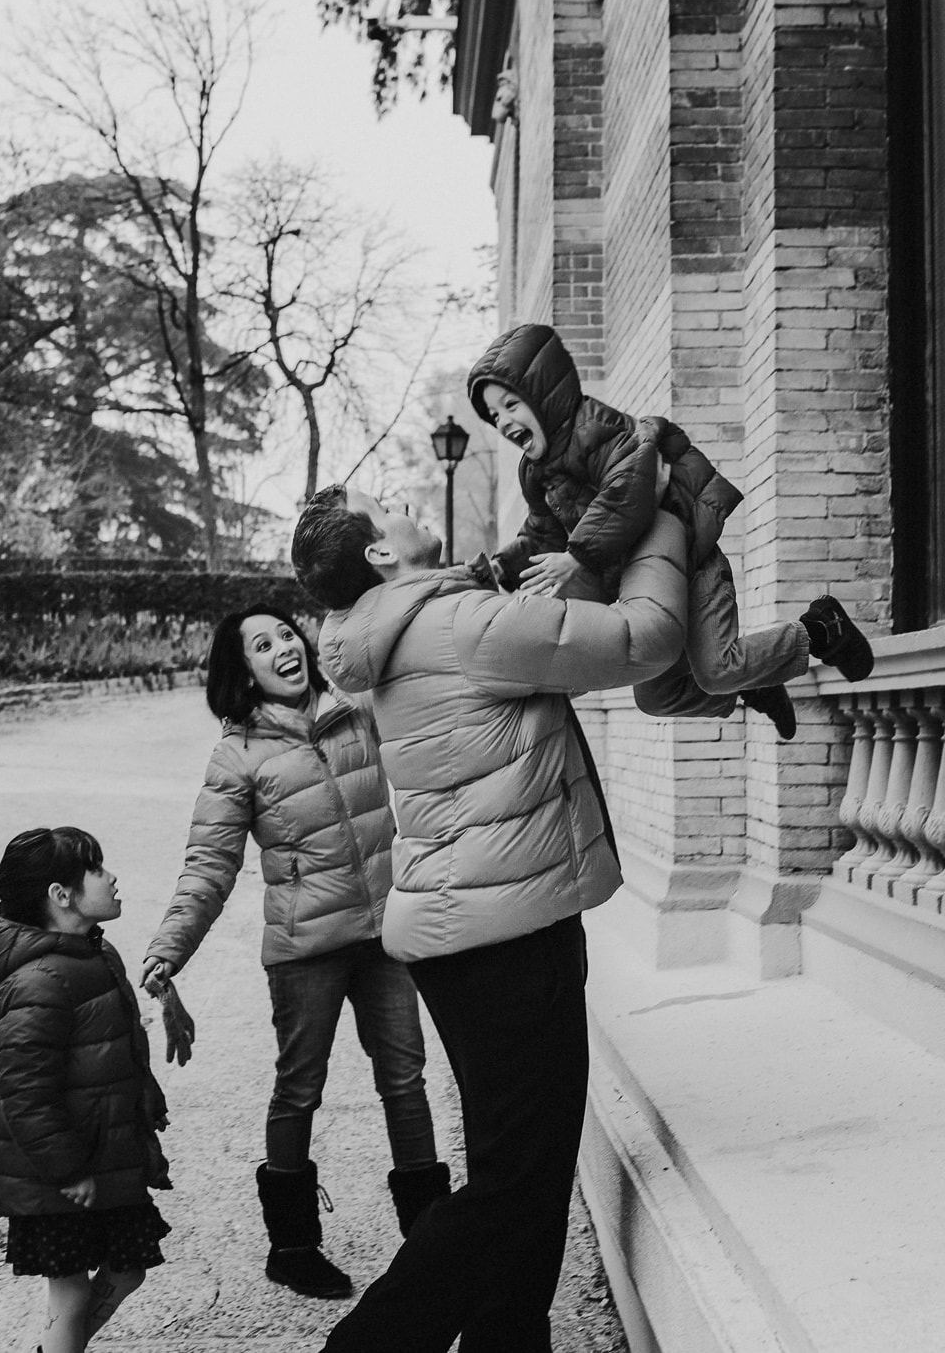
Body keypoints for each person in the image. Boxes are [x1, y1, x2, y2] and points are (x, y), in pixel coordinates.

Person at [289, 483, 689, 1352]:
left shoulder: (405, 629)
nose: (400, 500)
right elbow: (645, 640)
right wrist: (656, 521)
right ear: (379, 555)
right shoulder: (461, 625)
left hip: (472, 934)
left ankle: (509, 1340)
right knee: (515, 1180)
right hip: (505, 938)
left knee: (528, 1170)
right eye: (382, 504)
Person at [140, 603, 450, 1300]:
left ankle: (432, 1233)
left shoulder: (355, 713)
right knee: (299, 1088)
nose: (283, 646)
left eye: (286, 633)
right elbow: (209, 864)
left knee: (406, 1077)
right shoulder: (237, 755)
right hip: (306, 947)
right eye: (261, 643)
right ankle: (293, 1245)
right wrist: (170, 947)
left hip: (385, 935)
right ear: (241, 670)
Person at [467, 321, 876, 738]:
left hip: (690, 565)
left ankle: (822, 629)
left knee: (719, 667)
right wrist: (504, 567)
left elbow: (628, 490)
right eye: (494, 414)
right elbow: (541, 532)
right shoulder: (535, 471)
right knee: (656, 696)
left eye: (511, 405)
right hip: (641, 589)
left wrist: (576, 557)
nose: (503, 421)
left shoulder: (597, 430)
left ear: (545, 395)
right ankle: (752, 689)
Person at [0, 827, 172, 1353]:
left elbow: (110, 1050)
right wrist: (68, 1168)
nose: (112, 877)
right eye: (98, 870)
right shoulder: (40, 982)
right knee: (70, 1293)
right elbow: (23, 1094)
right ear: (61, 896)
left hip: (101, 1155)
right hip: (64, 1174)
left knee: (126, 1270)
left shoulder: (91, 956)